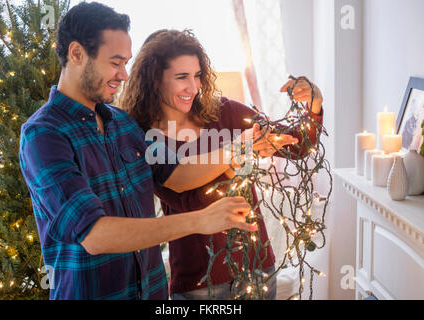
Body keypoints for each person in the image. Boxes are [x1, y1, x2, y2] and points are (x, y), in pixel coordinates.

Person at [18, 3, 290, 300]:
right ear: (77, 53)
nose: (123, 75)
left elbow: (177, 173)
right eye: (115, 62)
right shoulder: (44, 134)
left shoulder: (123, 124)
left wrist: (238, 148)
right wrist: (200, 220)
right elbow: (95, 235)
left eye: (126, 63)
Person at [121, 29, 324, 299]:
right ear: (154, 80)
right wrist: (238, 152)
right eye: (181, 77)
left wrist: (315, 104)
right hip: (200, 282)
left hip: (258, 270)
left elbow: (297, 145)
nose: (193, 87)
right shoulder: (143, 135)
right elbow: (188, 196)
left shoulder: (225, 113)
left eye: (197, 76)